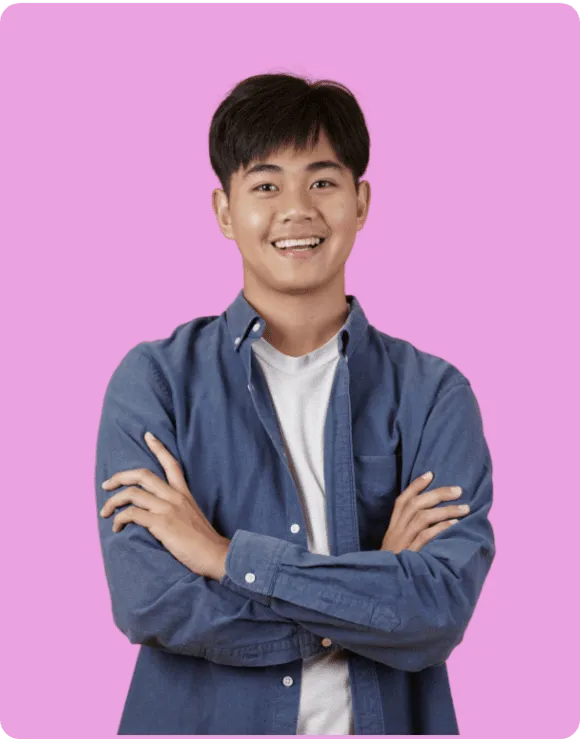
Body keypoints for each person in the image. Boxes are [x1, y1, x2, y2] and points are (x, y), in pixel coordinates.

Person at [95, 72, 496, 736]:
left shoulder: (433, 395)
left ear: (360, 202)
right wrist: (371, 591)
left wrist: (224, 557)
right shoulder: (155, 382)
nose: (297, 210)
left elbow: (439, 610)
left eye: (322, 181)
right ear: (225, 212)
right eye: (265, 185)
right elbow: (152, 603)